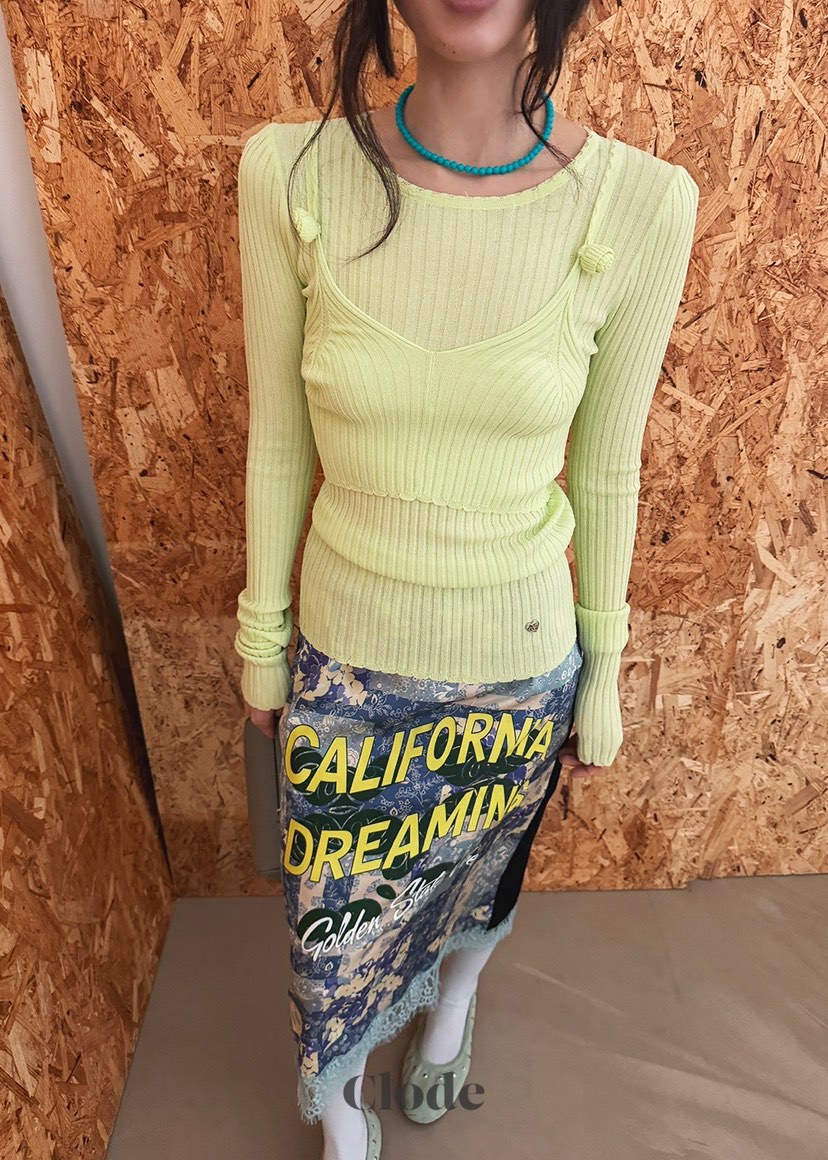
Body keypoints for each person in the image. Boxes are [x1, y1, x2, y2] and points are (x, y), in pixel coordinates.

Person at [234, 0, 699, 1156]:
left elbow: (609, 465)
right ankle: (345, 1108)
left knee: (482, 878)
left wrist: (605, 669)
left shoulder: (641, 205)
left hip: (517, 663)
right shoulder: (290, 174)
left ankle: (451, 1008)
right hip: (346, 662)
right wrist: (261, 637)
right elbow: (278, 437)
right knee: (331, 928)